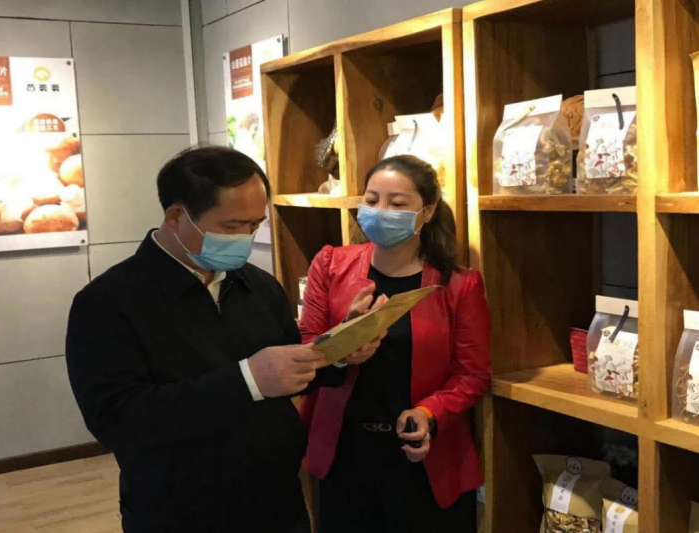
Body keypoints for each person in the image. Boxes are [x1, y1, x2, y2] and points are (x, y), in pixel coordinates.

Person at [65, 146, 382, 533]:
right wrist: (246, 380)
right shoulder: (108, 302)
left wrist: (340, 350)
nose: (246, 238)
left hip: (277, 501)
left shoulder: (258, 285)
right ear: (176, 216)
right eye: (232, 227)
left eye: (255, 225)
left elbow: (289, 368)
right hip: (179, 510)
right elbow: (117, 420)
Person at [299, 155, 491, 533]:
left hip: (424, 458)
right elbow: (307, 345)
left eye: (397, 203)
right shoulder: (330, 264)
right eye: (372, 200)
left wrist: (429, 413)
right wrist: (344, 343)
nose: (380, 211)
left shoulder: (458, 284)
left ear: (427, 211)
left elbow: (472, 374)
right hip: (344, 453)